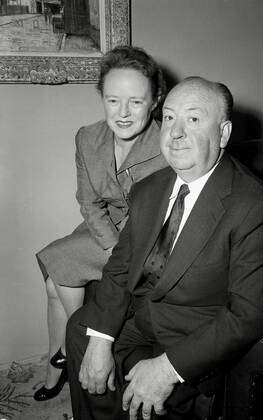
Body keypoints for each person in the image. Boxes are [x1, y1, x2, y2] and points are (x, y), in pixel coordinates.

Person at [66, 77, 263, 419]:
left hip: (194, 336)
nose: (176, 132)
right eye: (169, 117)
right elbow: (121, 266)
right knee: (82, 330)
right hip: (144, 315)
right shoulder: (149, 189)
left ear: (224, 133)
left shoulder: (256, 208)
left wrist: (167, 369)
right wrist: (101, 337)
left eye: (193, 119)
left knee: (158, 395)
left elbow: (249, 315)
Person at [33, 46, 168, 401]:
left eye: (136, 102)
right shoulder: (87, 136)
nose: (122, 113)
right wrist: (109, 246)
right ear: (102, 99)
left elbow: (160, 217)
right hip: (103, 227)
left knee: (55, 262)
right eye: (112, 100)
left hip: (143, 236)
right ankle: (60, 359)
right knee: (53, 284)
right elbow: (88, 202)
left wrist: (118, 252)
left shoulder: (169, 144)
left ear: (154, 101)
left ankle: (67, 349)